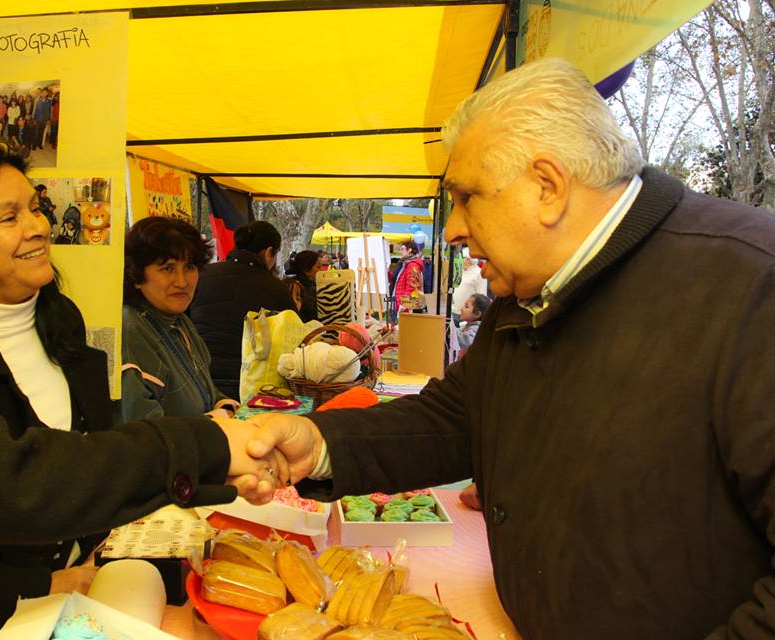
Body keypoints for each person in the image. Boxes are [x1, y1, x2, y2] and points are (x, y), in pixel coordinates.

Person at [242, 58, 775, 638]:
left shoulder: (751, 289)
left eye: (469, 197)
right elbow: (452, 421)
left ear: (547, 187)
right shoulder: (524, 299)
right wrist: (318, 445)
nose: (452, 229)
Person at [0, 129, 279, 639]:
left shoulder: (64, 324)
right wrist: (41, 582)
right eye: (8, 217)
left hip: (87, 598)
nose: (37, 227)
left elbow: (89, 456)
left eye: (35, 208)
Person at [122, 216, 239, 421]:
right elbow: (146, 432)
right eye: (168, 268)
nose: (182, 282)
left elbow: (207, 392)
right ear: (137, 275)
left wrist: (225, 405)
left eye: (189, 267)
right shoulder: (130, 333)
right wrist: (220, 418)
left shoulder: (179, 322)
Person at [190, 220, 297, 398]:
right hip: (252, 383)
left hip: (200, 378)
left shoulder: (202, 276)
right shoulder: (275, 288)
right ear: (269, 251)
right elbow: (293, 335)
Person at [388, 239, 425, 317]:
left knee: (406, 327)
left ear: (409, 250)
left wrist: (404, 305)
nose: (401, 251)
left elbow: (412, 286)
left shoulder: (412, 265)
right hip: (403, 302)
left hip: (408, 306)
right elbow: (397, 279)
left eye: (403, 249)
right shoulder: (405, 263)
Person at [286, 249, 320, 322]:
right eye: (318, 267)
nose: (321, 270)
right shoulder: (307, 288)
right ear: (306, 269)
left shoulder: (293, 282)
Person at [454, 292, 489, 357]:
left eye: (466, 306)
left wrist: (451, 329)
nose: (461, 309)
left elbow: (465, 340)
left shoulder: (477, 329)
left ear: (477, 314)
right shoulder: (469, 325)